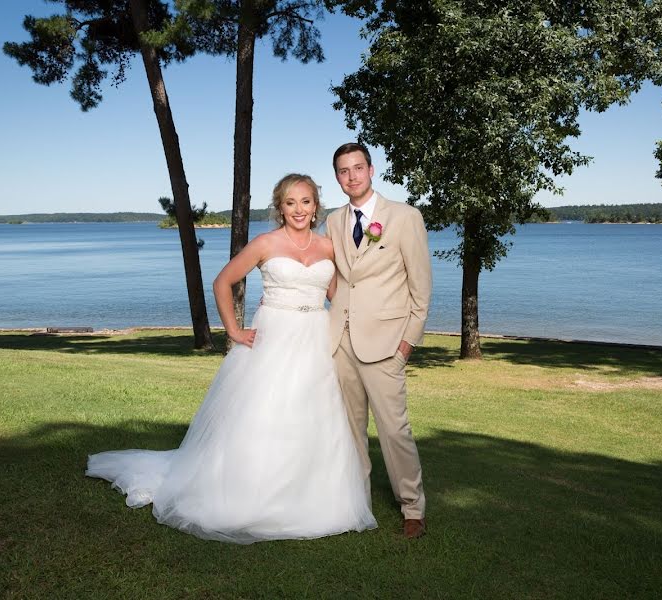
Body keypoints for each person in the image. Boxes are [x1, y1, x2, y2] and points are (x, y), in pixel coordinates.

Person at [86, 174, 377, 544]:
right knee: (265, 413)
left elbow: (337, 296)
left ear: (316, 206)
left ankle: (314, 498)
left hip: (316, 339)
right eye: (290, 203)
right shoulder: (265, 243)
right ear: (280, 207)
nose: (299, 210)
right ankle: (253, 494)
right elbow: (223, 282)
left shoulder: (329, 247)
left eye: (305, 202)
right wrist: (234, 331)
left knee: (316, 415)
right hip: (274, 336)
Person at [325, 143, 432, 539]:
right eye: (342, 170)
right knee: (350, 431)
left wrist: (407, 344)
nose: (351, 176)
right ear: (337, 177)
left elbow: (421, 290)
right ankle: (358, 503)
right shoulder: (334, 222)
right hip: (340, 343)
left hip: (387, 345)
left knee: (394, 431)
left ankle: (412, 508)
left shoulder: (404, 217)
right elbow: (334, 275)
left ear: (371, 170)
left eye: (357, 168)